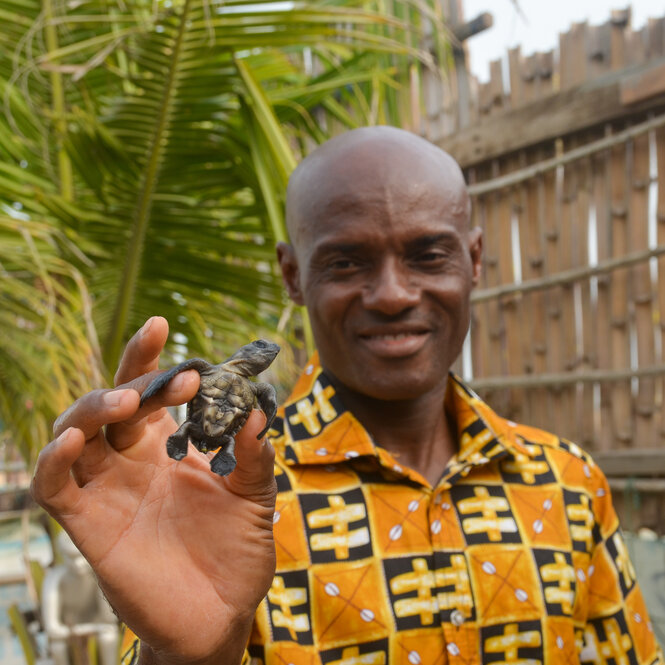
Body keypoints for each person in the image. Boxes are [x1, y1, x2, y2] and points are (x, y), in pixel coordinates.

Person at [31, 126, 663, 665]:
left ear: (474, 260)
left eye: (428, 254)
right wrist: (190, 656)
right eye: (347, 262)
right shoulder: (215, 493)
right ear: (292, 275)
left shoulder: (568, 484)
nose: (392, 294)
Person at [41, 531, 119, 665]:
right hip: (69, 634)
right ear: (62, 555)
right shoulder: (54, 579)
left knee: (109, 637)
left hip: (96, 632)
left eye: (81, 556)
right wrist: (86, 629)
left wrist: (102, 581)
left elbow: (110, 620)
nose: (77, 564)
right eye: (70, 557)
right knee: (58, 647)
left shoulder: (98, 577)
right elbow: (52, 628)